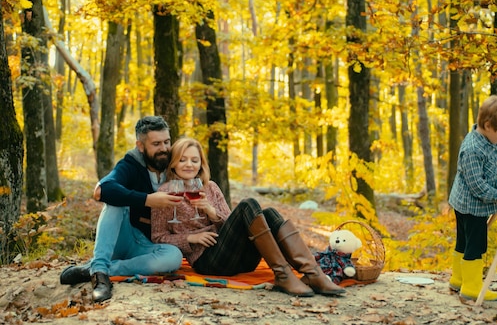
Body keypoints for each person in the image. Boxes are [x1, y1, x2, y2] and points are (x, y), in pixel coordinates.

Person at [151, 137, 346, 297]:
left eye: (194, 160)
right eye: (183, 159)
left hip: (240, 259)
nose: (189, 165)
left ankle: (313, 273)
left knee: (269, 213)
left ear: (201, 164)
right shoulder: (166, 193)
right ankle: (284, 275)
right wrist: (189, 238)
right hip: (209, 261)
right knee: (248, 204)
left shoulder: (211, 187)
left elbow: (233, 224)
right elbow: (158, 237)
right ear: (173, 163)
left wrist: (211, 212)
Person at [59, 116, 184, 302]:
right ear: (140, 146)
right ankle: (100, 277)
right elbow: (102, 190)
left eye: (167, 142)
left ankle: (97, 268)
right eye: (156, 144)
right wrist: (148, 200)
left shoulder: (176, 164)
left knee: (174, 257)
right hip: (122, 236)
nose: (164, 149)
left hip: (145, 246)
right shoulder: (131, 163)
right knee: (115, 202)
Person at [447, 95, 497, 301]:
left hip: (464, 203)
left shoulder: (486, 137)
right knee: (475, 245)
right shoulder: (472, 149)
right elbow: (477, 186)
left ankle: (458, 279)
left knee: (464, 241)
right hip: (472, 207)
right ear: (489, 125)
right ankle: (471, 287)